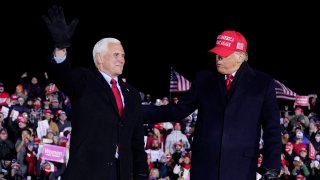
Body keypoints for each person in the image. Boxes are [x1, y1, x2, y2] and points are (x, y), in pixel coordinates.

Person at [142, 30, 281, 180]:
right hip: (205, 167)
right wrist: (136, 112)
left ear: (240, 56)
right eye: (217, 53)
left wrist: (271, 165)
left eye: (224, 54)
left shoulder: (262, 83)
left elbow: (272, 127)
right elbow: (178, 110)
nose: (218, 58)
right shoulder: (204, 78)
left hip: (241, 167)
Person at [42, 6, 148, 180]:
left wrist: (142, 175)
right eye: (116, 54)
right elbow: (63, 77)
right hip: (87, 172)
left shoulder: (132, 94)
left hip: (122, 174)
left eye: (123, 55)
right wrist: (60, 49)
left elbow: (136, 143)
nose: (122, 59)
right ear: (99, 58)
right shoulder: (85, 80)